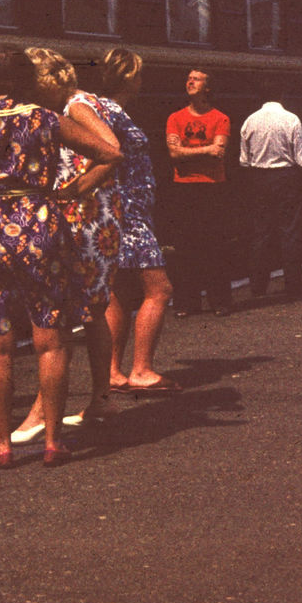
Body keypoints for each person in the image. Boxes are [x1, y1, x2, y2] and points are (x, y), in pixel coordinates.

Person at [0, 49, 112, 469]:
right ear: (27, 79)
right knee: (50, 339)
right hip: (42, 228)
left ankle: (2, 444)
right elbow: (111, 154)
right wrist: (73, 190)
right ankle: (53, 441)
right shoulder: (46, 119)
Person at [12, 49, 124, 443]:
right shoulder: (84, 100)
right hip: (100, 218)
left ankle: (42, 411)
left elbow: (111, 149)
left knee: (58, 314)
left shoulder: (75, 106)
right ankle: (101, 399)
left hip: (84, 218)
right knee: (92, 310)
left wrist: (74, 189)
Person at [94, 47, 180, 395]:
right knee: (159, 289)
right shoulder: (110, 112)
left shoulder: (106, 110)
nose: (142, 81)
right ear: (129, 77)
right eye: (139, 74)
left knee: (117, 292)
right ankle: (141, 370)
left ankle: (112, 371)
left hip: (123, 212)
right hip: (126, 214)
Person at [165, 69, 233, 316]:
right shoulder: (175, 118)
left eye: (196, 79)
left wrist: (188, 153)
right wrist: (205, 150)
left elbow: (219, 153)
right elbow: (174, 153)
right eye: (188, 78)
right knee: (185, 247)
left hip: (212, 187)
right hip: (184, 188)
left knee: (214, 245)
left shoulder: (221, 118)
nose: (190, 82)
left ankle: (220, 301)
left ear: (208, 88)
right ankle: (185, 303)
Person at [239, 97, 302, 299]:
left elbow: (244, 160)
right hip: (286, 179)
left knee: (261, 233)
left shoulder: (250, 120)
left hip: (259, 179)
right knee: (289, 232)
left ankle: (258, 288)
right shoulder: (291, 119)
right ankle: (293, 286)